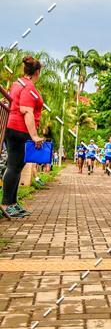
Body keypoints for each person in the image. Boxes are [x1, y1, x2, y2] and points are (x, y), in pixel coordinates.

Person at [1, 55, 43, 219]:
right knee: (13, 166)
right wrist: (34, 136)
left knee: (17, 167)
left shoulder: (18, 83)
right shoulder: (29, 88)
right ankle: (6, 204)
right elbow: (26, 111)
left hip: (12, 128)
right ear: (37, 72)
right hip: (20, 130)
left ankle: (12, 203)